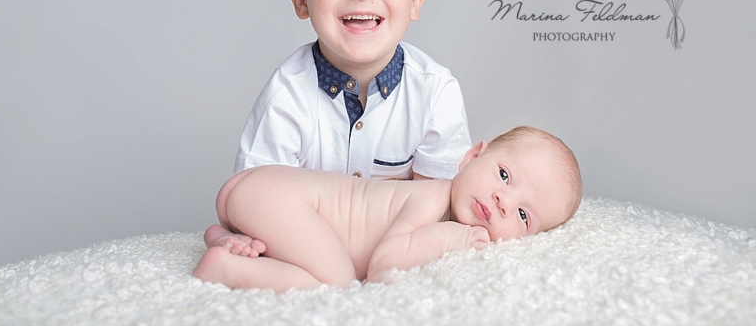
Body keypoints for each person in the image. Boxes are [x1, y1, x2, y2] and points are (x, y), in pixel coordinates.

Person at [204, 0, 472, 254]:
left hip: (391, 240)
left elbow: (441, 202)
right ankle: (224, 243)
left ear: (414, 1)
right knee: (250, 220)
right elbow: (254, 195)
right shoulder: (288, 94)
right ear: (302, 1)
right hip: (303, 238)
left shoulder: (435, 91)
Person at [193, 126, 582, 292]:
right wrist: (456, 237)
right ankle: (226, 267)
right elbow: (383, 264)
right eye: (503, 174)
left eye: (523, 215)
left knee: (311, 248)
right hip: (277, 194)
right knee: (337, 279)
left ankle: (227, 235)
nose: (502, 201)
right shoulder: (432, 197)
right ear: (471, 156)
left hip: (260, 195)